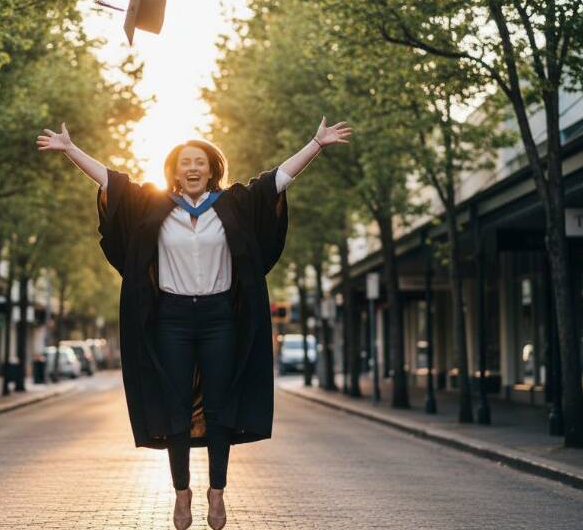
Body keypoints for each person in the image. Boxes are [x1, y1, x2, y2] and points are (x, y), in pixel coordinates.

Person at [36, 117, 350, 529]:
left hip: (221, 317)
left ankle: (216, 492)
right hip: (172, 319)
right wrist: (71, 150)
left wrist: (317, 144)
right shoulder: (153, 206)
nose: (192, 167)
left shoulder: (233, 204)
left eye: (199, 161)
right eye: (185, 162)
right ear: (175, 169)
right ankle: (181, 493)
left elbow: (277, 181)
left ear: (211, 167)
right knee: (176, 409)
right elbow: (113, 183)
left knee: (219, 407)